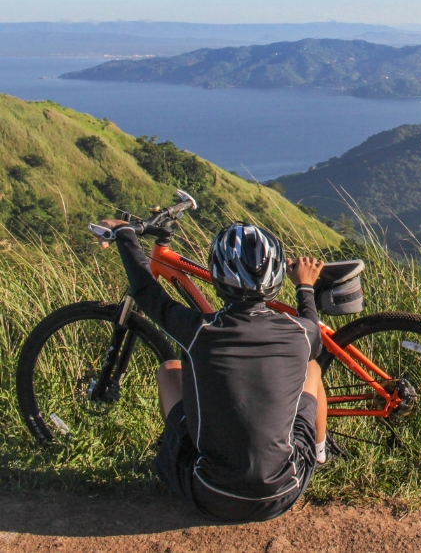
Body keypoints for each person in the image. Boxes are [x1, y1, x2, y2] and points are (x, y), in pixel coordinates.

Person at [98, 218, 329, 522]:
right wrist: (305, 286)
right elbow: (312, 325)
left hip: (211, 494)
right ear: (276, 279)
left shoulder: (197, 330)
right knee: (311, 368)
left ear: (218, 278)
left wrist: (126, 234)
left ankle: (179, 453)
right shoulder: (301, 333)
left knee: (169, 370)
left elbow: (144, 288)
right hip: (283, 492)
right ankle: (320, 452)